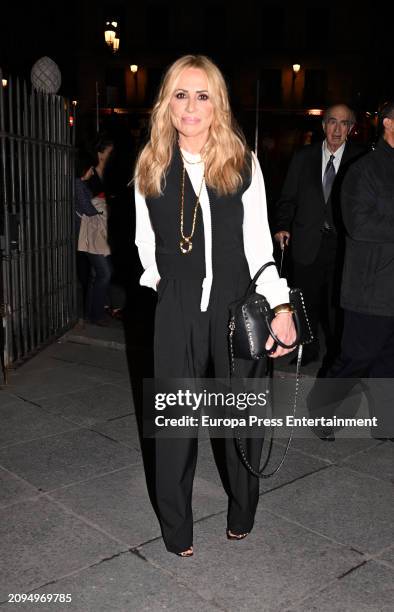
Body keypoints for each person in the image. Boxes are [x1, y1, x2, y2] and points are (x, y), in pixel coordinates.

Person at [134, 55, 296, 557]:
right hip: (177, 306)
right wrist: (168, 286)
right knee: (173, 428)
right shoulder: (151, 163)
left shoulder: (243, 161)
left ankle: (242, 509)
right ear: (168, 102)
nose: (191, 106)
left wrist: (281, 306)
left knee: (243, 422)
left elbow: (259, 245)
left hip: (235, 303)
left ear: (217, 103)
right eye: (181, 94)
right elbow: (144, 243)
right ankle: (176, 528)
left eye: (202, 95)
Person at [309, 101, 394, 440]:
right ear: (388, 123)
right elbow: (359, 225)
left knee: (389, 360)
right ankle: (321, 411)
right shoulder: (365, 169)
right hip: (369, 287)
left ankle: (386, 423)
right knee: (357, 356)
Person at [273, 105, 364, 368]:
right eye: (332, 122)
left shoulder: (359, 159)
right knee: (306, 301)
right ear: (323, 125)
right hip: (306, 241)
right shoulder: (303, 157)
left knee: (338, 305)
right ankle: (309, 350)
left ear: (351, 128)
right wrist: (282, 225)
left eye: (344, 123)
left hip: (344, 246)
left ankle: (338, 355)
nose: (337, 129)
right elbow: (287, 197)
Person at [76, 151, 112, 326]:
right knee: (104, 273)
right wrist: (99, 206)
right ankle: (95, 313)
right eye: (90, 168)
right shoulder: (78, 185)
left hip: (90, 235)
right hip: (87, 235)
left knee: (96, 275)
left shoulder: (82, 185)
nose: (92, 171)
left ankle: (92, 313)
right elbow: (87, 209)